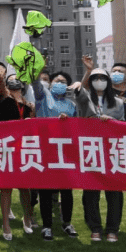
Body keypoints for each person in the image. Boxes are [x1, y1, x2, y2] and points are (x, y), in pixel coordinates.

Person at [74, 59, 125, 243]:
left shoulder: (118, 103)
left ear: (108, 81)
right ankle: (95, 227)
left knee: (114, 192)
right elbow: (79, 91)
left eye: (102, 78)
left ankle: (112, 229)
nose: (99, 81)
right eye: (95, 78)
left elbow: (124, 126)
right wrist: (87, 71)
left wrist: (111, 123)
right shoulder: (86, 98)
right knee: (91, 192)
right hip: (91, 150)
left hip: (111, 152)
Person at [0, 67, 36, 240]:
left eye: (18, 80)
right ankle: (6, 224)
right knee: (6, 188)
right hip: (7, 149)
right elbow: (0, 85)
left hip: (24, 150)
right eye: (12, 80)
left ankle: (27, 218)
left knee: (25, 188)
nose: (15, 82)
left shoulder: (29, 105)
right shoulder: (4, 101)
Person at [32, 71, 79, 241]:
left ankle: (66, 222)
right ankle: (47, 226)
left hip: (64, 151)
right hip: (45, 149)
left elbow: (76, 128)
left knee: (66, 190)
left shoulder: (71, 105)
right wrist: (37, 68)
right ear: (51, 83)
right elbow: (35, 84)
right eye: (57, 80)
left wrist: (68, 122)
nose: (60, 83)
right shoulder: (42, 98)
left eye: (63, 81)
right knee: (45, 190)